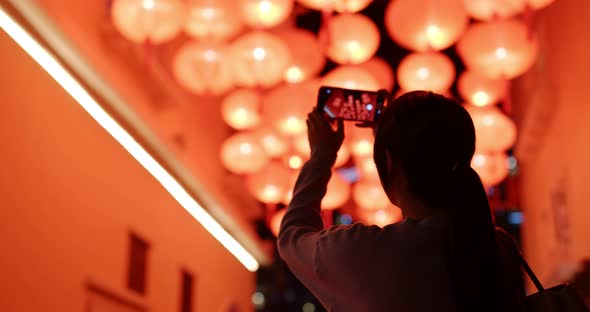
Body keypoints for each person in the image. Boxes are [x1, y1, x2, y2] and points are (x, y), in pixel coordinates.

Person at [278, 91, 526, 311]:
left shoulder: (355, 251)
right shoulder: (498, 248)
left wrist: (321, 155)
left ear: (387, 163)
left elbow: (292, 236)